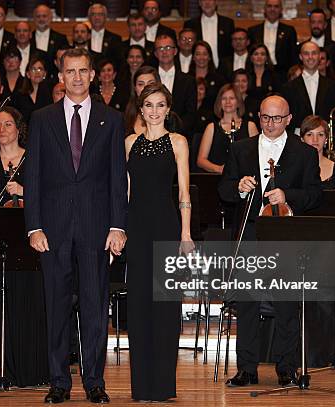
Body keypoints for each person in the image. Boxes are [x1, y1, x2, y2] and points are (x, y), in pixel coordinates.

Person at [24, 47, 127, 404]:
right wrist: (33, 226)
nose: (78, 77)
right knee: (56, 306)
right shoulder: (41, 119)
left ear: (93, 75)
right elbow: (33, 177)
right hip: (52, 230)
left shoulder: (112, 119)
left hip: (97, 229)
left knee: (95, 307)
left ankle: (94, 381)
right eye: (71, 71)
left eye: (84, 71)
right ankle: (58, 381)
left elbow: (117, 178)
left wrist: (118, 226)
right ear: (61, 76)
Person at [218, 95, 322, 388]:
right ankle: (247, 369)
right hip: (251, 234)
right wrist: (238, 188)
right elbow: (223, 189)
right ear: (258, 117)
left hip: (287, 238)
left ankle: (286, 367)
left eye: (277, 118)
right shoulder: (241, 149)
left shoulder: (304, 153)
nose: (271, 124)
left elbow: (315, 195)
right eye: (265, 117)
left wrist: (288, 195)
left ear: (289, 119)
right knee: (248, 305)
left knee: (287, 306)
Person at [124, 82, 193, 401]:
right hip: (135, 229)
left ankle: (164, 385)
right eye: (148, 105)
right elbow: (125, 193)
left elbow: (183, 193)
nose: (154, 111)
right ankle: (141, 386)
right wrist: (118, 230)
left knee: (165, 307)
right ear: (141, 109)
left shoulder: (178, 142)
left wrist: (186, 233)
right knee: (138, 306)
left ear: (168, 109)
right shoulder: (129, 143)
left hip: (166, 227)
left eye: (160, 105)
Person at [0, 106, 49, 386]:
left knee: (28, 301)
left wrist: (24, 191)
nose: (1, 130)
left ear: (19, 128)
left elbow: (50, 199)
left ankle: (30, 369)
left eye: (7, 124)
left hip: (31, 241)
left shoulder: (35, 160)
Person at [197, 84, 259, 174]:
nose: (227, 102)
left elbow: (258, 156)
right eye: (224, 98)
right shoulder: (211, 127)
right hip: (218, 179)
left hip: (244, 179)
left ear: (238, 102)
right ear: (219, 103)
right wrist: (219, 169)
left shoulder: (250, 126)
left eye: (232, 98)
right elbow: (201, 161)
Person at [248, 0, 298, 77]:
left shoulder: (289, 31)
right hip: (259, 73)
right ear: (264, 9)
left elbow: (293, 55)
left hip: (282, 74)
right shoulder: (253, 31)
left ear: (281, 9)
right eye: (269, 6)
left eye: (276, 6)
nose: (272, 9)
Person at [301, 115, 335, 191]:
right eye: (309, 134)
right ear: (302, 139)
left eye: (320, 134)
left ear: (326, 139)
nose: (315, 139)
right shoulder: (292, 168)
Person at [12, 56, 53, 123]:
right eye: (33, 69)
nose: (37, 72)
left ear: (45, 74)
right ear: (28, 74)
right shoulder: (19, 95)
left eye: (40, 69)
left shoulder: (51, 92)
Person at [123, 65, 160, 135]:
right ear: (135, 88)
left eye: (151, 83)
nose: (145, 87)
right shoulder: (126, 117)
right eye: (141, 84)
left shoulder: (169, 118)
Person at [188, 40, 225, 109]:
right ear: (193, 57)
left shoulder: (219, 80)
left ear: (209, 57)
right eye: (198, 54)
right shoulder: (186, 79)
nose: (201, 57)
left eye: (205, 54)